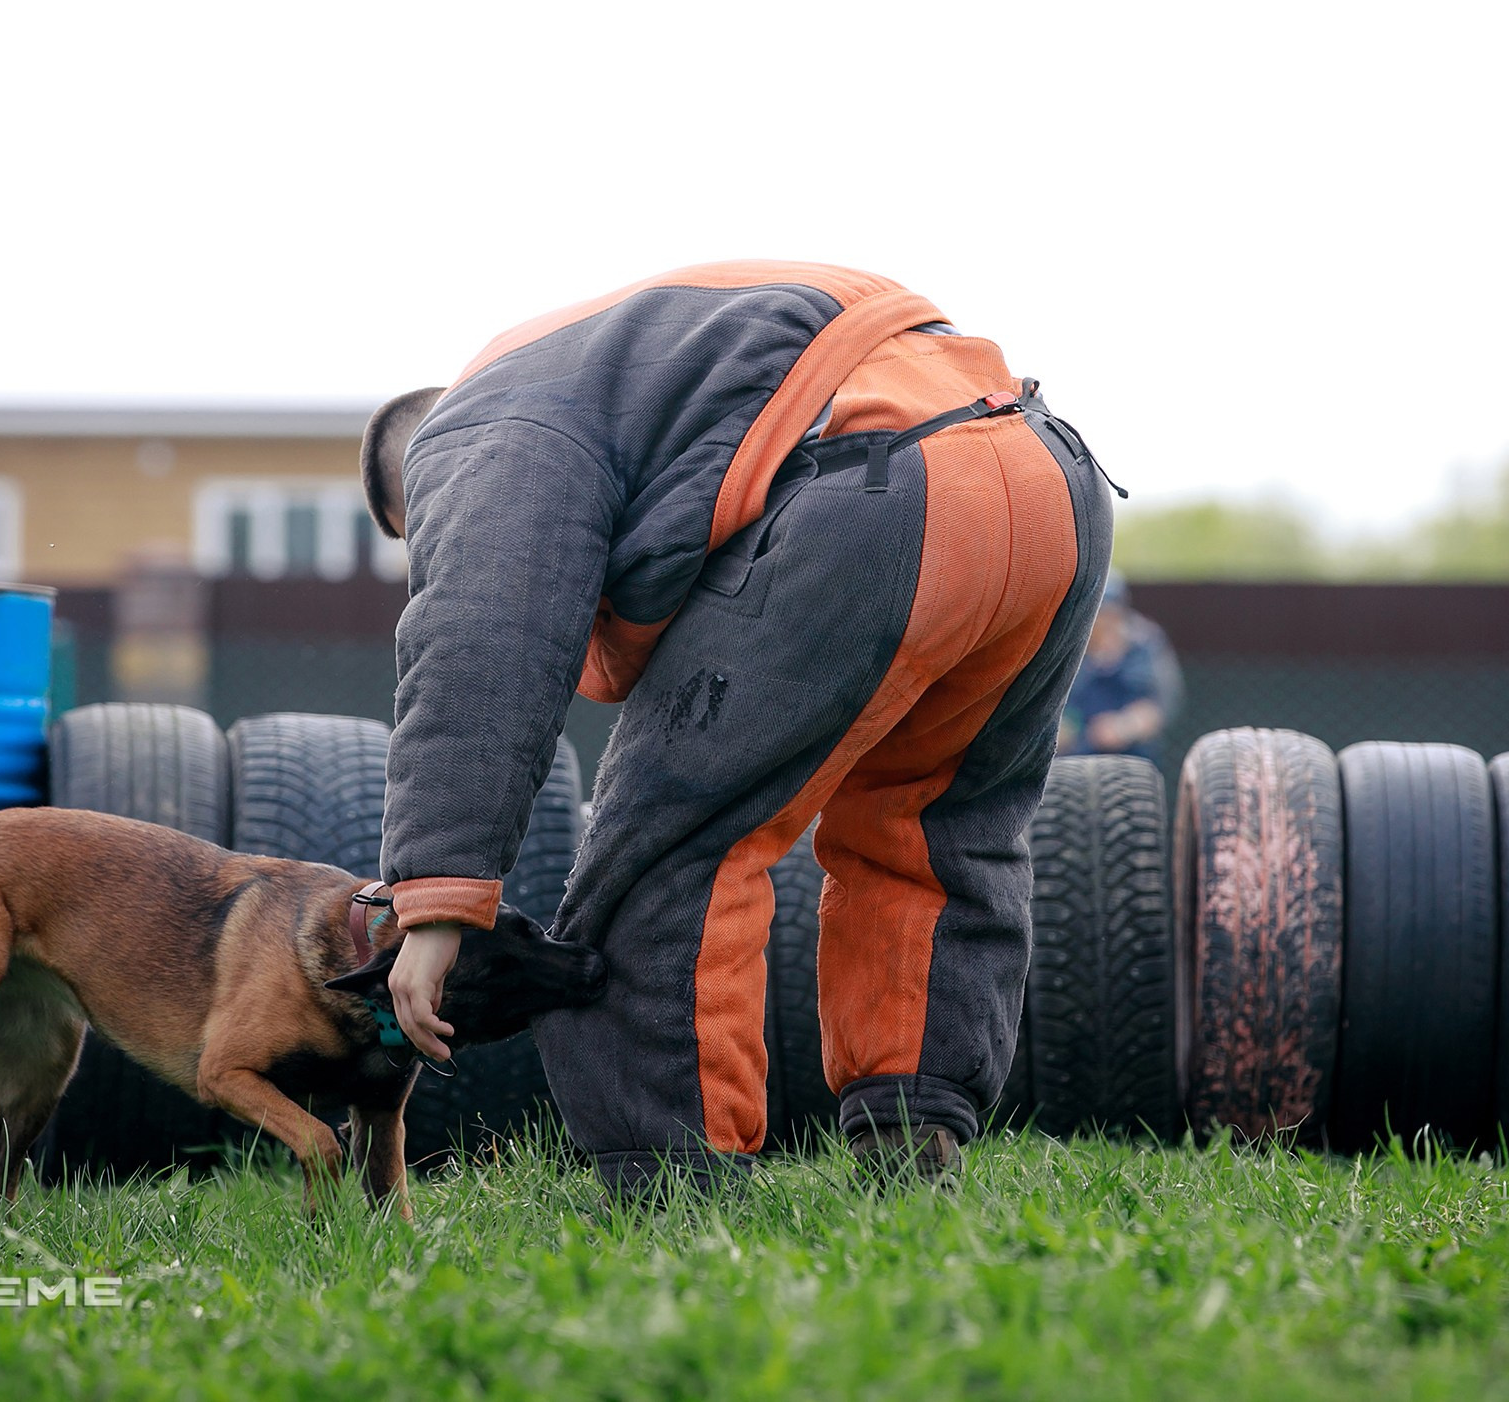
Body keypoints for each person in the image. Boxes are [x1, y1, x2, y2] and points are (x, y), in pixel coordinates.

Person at [357, 261, 1115, 1194]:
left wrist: (435, 903)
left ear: (415, 488)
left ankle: (673, 1191)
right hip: (1046, 477)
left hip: (881, 492)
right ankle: (912, 1156)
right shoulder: (605, 365)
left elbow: (482, 636)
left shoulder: (473, 432)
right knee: (931, 828)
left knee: (667, 853)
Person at [1057, 569, 1183, 768]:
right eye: (1097, 615)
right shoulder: (1066, 643)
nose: (1103, 624)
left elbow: (1159, 704)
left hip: (1130, 762)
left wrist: (1123, 727)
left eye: (1110, 615)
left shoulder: (1143, 643)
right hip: (1074, 762)